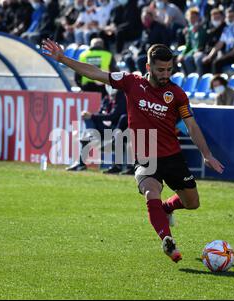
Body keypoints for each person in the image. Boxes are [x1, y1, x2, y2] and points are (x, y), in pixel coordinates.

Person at [42, 39, 224, 263]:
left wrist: (207, 154)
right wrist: (62, 59)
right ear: (148, 68)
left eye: (169, 69)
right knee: (150, 192)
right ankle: (167, 239)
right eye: (160, 70)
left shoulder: (177, 94)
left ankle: (167, 207)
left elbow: (191, 125)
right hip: (145, 156)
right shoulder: (131, 82)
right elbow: (95, 73)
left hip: (172, 156)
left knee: (192, 203)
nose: (166, 74)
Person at [66, 84, 128, 173]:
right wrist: (91, 116)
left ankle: (117, 166)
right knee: (89, 122)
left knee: (91, 119)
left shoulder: (122, 98)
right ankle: (81, 163)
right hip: (106, 130)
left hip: (119, 130)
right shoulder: (107, 99)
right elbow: (101, 113)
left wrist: (92, 116)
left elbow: (113, 116)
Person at [201, 8, 234, 74]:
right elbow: (219, 44)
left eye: (232, 16)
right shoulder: (226, 29)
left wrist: (224, 56)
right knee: (207, 61)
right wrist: (209, 56)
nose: (230, 19)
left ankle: (218, 82)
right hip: (228, 54)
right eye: (228, 17)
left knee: (217, 63)